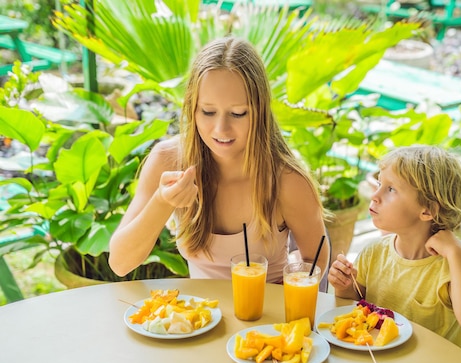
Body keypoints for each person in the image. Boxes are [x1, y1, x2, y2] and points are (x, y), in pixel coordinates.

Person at [109, 37, 329, 283]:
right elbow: (119, 263)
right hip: (202, 318)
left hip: (270, 317)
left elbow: (315, 259)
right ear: (192, 108)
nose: (221, 129)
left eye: (237, 113)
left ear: (260, 111)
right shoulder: (168, 161)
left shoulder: (287, 180)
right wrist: (162, 202)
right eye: (208, 112)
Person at [328, 145, 461, 349]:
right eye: (379, 184)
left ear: (427, 210)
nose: (375, 195)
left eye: (391, 189)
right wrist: (345, 287)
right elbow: (356, 307)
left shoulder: (448, 267)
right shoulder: (373, 252)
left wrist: (457, 254)